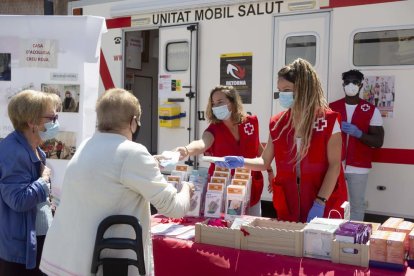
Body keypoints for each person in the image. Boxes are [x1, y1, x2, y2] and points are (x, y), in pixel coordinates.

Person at [40, 88, 193, 275]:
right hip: (101, 266)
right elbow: (174, 208)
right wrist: (187, 188)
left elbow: (110, 172)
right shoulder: (133, 153)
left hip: (63, 260)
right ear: (133, 122)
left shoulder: (86, 145)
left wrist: (150, 163)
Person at [216, 58, 348, 223]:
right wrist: (241, 162)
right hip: (289, 202)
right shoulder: (278, 123)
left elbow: (335, 166)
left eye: (287, 89)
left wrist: (320, 202)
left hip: (323, 200)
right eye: (280, 90)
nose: (282, 95)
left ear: (303, 88)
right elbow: (264, 161)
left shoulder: (328, 120)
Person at [174, 85, 273, 216]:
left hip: (250, 185)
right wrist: (186, 150)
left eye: (220, 102)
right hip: (223, 188)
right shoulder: (214, 129)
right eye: (213, 104)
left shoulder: (251, 122)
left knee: (251, 227)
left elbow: (258, 148)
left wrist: (270, 170)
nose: (216, 107)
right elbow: (202, 143)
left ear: (232, 102)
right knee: (226, 228)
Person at [0, 90, 61, 275]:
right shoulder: (14, 151)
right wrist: (43, 181)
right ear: (32, 121)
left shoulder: (34, 149)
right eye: (52, 117)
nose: (56, 122)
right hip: (19, 251)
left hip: (35, 241)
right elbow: (18, 200)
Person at [330, 69, 384, 221]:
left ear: (361, 85)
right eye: (347, 82)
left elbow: (378, 141)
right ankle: (334, 236)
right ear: (343, 85)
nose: (351, 85)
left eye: (355, 82)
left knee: (357, 205)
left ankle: (353, 239)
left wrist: (359, 134)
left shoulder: (371, 110)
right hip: (335, 164)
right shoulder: (332, 108)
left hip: (359, 166)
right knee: (334, 202)